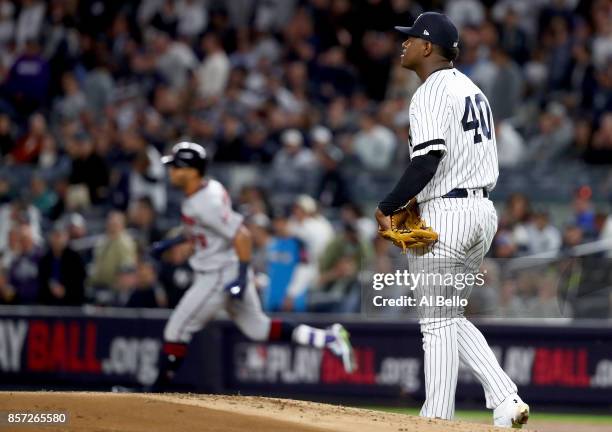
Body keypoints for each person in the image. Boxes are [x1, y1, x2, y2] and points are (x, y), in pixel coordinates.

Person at [375, 13, 529, 428]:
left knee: (436, 323)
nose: (403, 45)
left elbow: (427, 159)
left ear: (428, 47)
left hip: (448, 210)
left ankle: (436, 418)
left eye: (410, 39)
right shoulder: (471, 89)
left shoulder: (430, 92)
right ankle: (505, 398)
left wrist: (389, 205)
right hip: (481, 213)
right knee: (448, 315)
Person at [150, 141, 355, 391]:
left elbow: (242, 235)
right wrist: (170, 242)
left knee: (177, 327)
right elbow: (200, 228)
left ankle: (155, 392)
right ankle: (328, 338)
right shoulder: (206, 191)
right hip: (225, 269)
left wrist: (240, 275)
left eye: (176, 167)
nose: (171, 171)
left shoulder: (207, 202)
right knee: (259, 329)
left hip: (218, 274)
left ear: (192, 170)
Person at [37, 222, 86, 305]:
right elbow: (41, 282)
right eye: (55, 236)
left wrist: (65, 290)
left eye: (59, 236)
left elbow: (79, 282)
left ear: (66, 237)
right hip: (49, 304)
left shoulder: (75, 258)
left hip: (71, 304)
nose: (57, 240)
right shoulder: (45, 259)